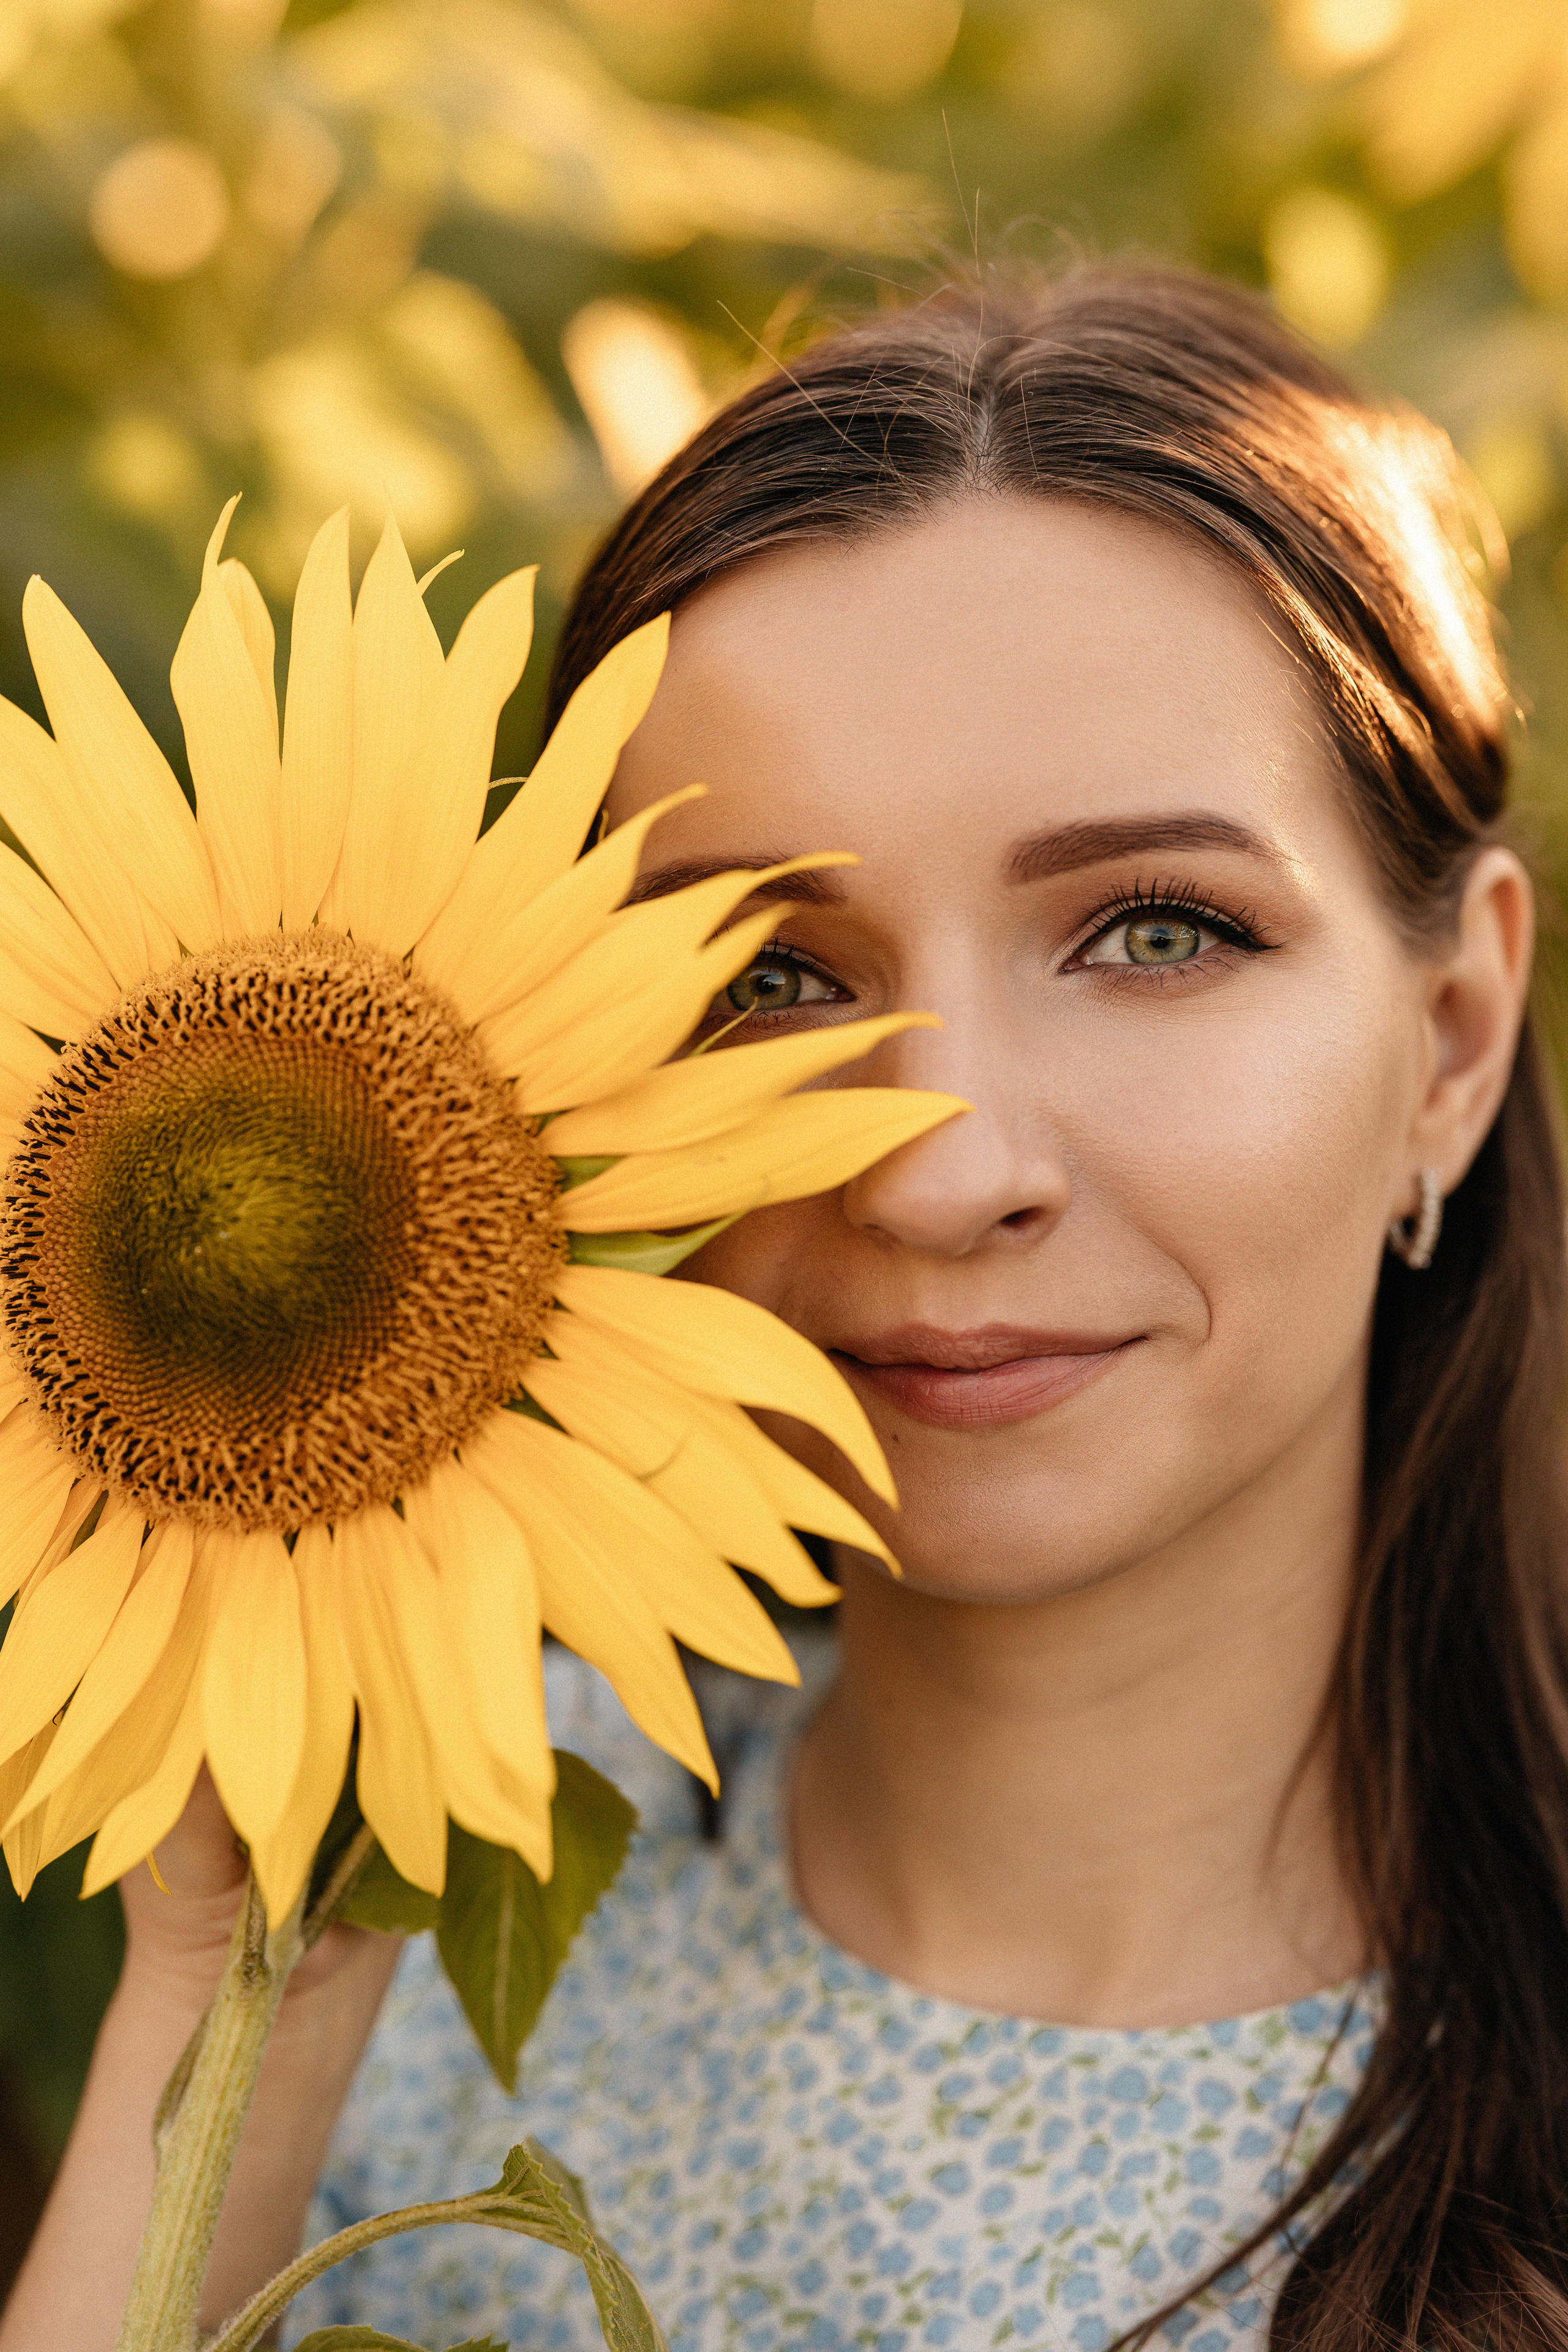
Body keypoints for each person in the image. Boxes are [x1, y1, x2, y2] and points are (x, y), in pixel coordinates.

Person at [4, 259, 1564, 2352]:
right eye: (768, 976)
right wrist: (239, 2003)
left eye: (1155, 932)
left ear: (1453, 1039)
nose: (939, 1162)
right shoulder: (427, 1858)